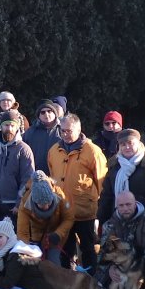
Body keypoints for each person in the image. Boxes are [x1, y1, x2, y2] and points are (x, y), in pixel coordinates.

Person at [48, 114, 106, 269]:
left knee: (88, 249)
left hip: (84, 211)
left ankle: (90, 279)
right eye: (63, 131)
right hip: (62, 211)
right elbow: (53, 177)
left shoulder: (92, 151)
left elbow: (102, 180)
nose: (65, 134)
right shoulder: (54, 151)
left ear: (79, 130)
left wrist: (101, 207)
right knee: (65, 252)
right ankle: (67, 280)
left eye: (69, 131)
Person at [0, 113, 34, 214]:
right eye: (6, 125)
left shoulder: (23, 149)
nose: (9, 128)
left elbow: (27, 179)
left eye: (12, 125)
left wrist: (19, 204)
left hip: (14, 205)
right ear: (1, 126)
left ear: (17, 127)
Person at [16, 172, 73, 262]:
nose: (46, 207)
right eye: (42, 205)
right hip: (36, 238)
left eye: (48, 203)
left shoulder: (60, 196)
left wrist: (58, 233)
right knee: (34, 264)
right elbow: (22, 233)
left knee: (54, 262)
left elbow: (69, 218)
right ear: (34, 202)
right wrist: (26, 251)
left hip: (55, 237)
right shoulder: (25, 204)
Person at [23, 99, 64, 174]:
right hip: (36, 175)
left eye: (49, 111)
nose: (46, 114)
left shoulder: (63, 130)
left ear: (54, 113)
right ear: (39, 115)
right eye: (43, 112)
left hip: (59, 174)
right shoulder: (30, 132)